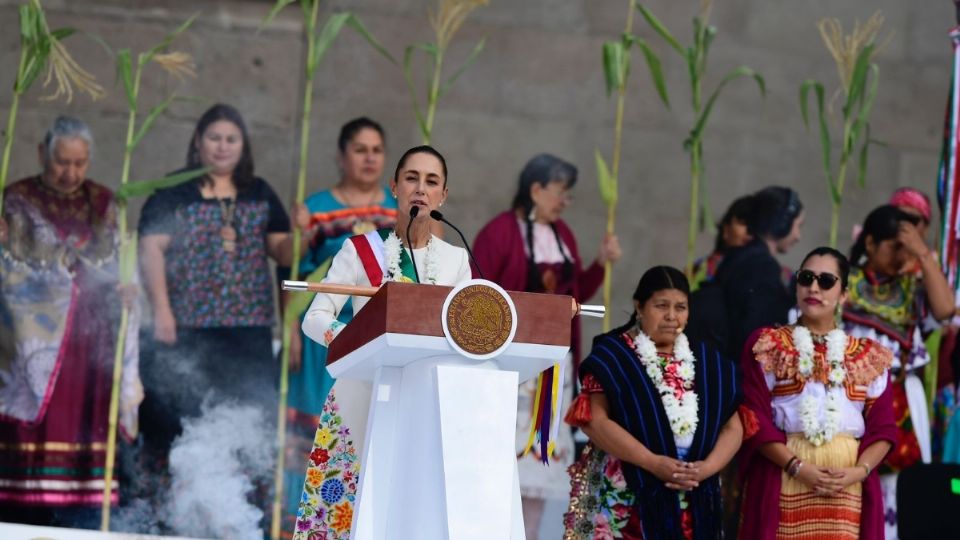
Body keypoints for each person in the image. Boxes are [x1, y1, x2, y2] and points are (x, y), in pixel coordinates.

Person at [292, 145, 472, 539]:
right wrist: (363, 342)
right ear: (394, 187)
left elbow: (464, 335)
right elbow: (315, 318)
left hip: (422, 402)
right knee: (339, 515)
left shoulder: (457, 259)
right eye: (411, 178)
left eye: (431, 181)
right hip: (359, 396)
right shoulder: (359, 251)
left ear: (443, 195)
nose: (420, 189)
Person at [138, 104, 297, 482]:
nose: (222, 147)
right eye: (214, 138)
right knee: (186, 418)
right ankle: (177, 515)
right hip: (190, 330)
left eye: (231, 139)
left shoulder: (259, 193)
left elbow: (285, 254)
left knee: (248, 418)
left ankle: (240, 516)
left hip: (248, 334)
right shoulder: (175, 191)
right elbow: (150, 248)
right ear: (198, 142)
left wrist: (301, 231)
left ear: (243, 145)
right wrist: (162, 311)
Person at [0, 116, 141, 527]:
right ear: (43, 153)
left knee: (85, 423)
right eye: (62, 162)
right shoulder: (14, 200)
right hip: (32, 338)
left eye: (80, 163)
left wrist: (127, 291)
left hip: (89, 337)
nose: (71, 173)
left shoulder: (105, 203)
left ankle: (80, 510)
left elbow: (120, 267)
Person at [472, 153, 621, 537]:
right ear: (536, 190)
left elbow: (574, 297)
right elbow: (476, 295)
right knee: (501, 465)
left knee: (539, 472)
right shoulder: (498, 233)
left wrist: (600, 264)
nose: (564, 203)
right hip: (508, 370)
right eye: (561, 193)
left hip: (554, 371)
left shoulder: (563, 234)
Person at [563, 266, 742, 539]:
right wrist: (652, 462)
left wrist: (705, 469)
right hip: (627, 493)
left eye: (681, 307)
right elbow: (594, 421)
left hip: (693, 495)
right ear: (639, 306)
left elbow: (734, 426)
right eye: (661, 306)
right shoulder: (614, 356)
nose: (672, 316)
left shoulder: (709, 362)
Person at [281, 117, 397, 534]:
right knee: (316, 430)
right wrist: (290, 327)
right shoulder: (316, 208)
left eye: (377, 150)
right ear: (341, 154)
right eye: (360, 149)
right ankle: (304, 523)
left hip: (380, 339)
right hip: (324, 336)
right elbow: (293, 266)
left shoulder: (398, 210)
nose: (369, 158)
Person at [738, 246, 896, 539]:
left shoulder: (869, 355)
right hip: (785, 475)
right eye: (806, 277)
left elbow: (883, 430)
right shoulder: (768, 345)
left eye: (826, 281)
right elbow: (752, 418)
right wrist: (797, 467)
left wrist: (858, 472)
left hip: (847, 488)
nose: (813, 287)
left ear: (844, 294)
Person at [842, 205, 954, 539]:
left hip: (895, 399)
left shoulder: (911, 289)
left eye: (907, 247)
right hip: (846, 397)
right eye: (895, 246)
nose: (901, 255)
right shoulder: (844, 280)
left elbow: (946, 309)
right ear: (871, 243)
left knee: (892, 486)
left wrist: (924, 254)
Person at [699, 186, 804, 360]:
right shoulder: (762, 267)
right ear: (782, 223)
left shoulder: (740, 257)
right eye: (798, 226)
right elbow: (758, 337)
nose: (798, 236)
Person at [690, 195, 754, 290]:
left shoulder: (776, 275)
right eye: (743, 223)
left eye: (756, 225)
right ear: (726, 229)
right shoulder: (699, 269)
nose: (750, 231)